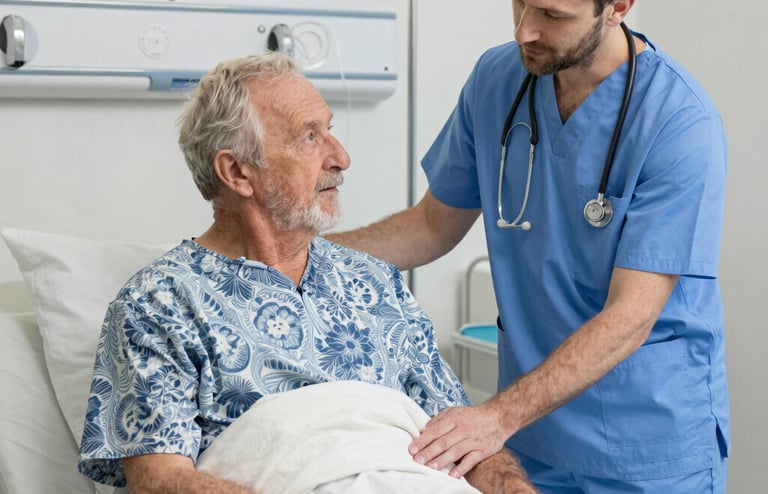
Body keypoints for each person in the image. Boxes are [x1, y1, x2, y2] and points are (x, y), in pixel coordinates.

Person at [76, 52, 536, 493]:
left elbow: (462, 438)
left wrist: (512, 488)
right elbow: (162, 481)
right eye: (309, 137)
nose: (340, 157)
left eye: (329, 131)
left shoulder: (375, 283)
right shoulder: (160, 304)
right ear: (237, 172)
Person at [326, 0, 729, 492]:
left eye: (552, 15)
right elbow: (431, 226)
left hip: (643, 441)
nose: (524, 31)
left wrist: (496, 418)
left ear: (618, 7)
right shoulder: (498, 79)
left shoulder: (678, 120)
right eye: (518, 3)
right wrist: (296, 254)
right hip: (530, 439)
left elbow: (631, 315)